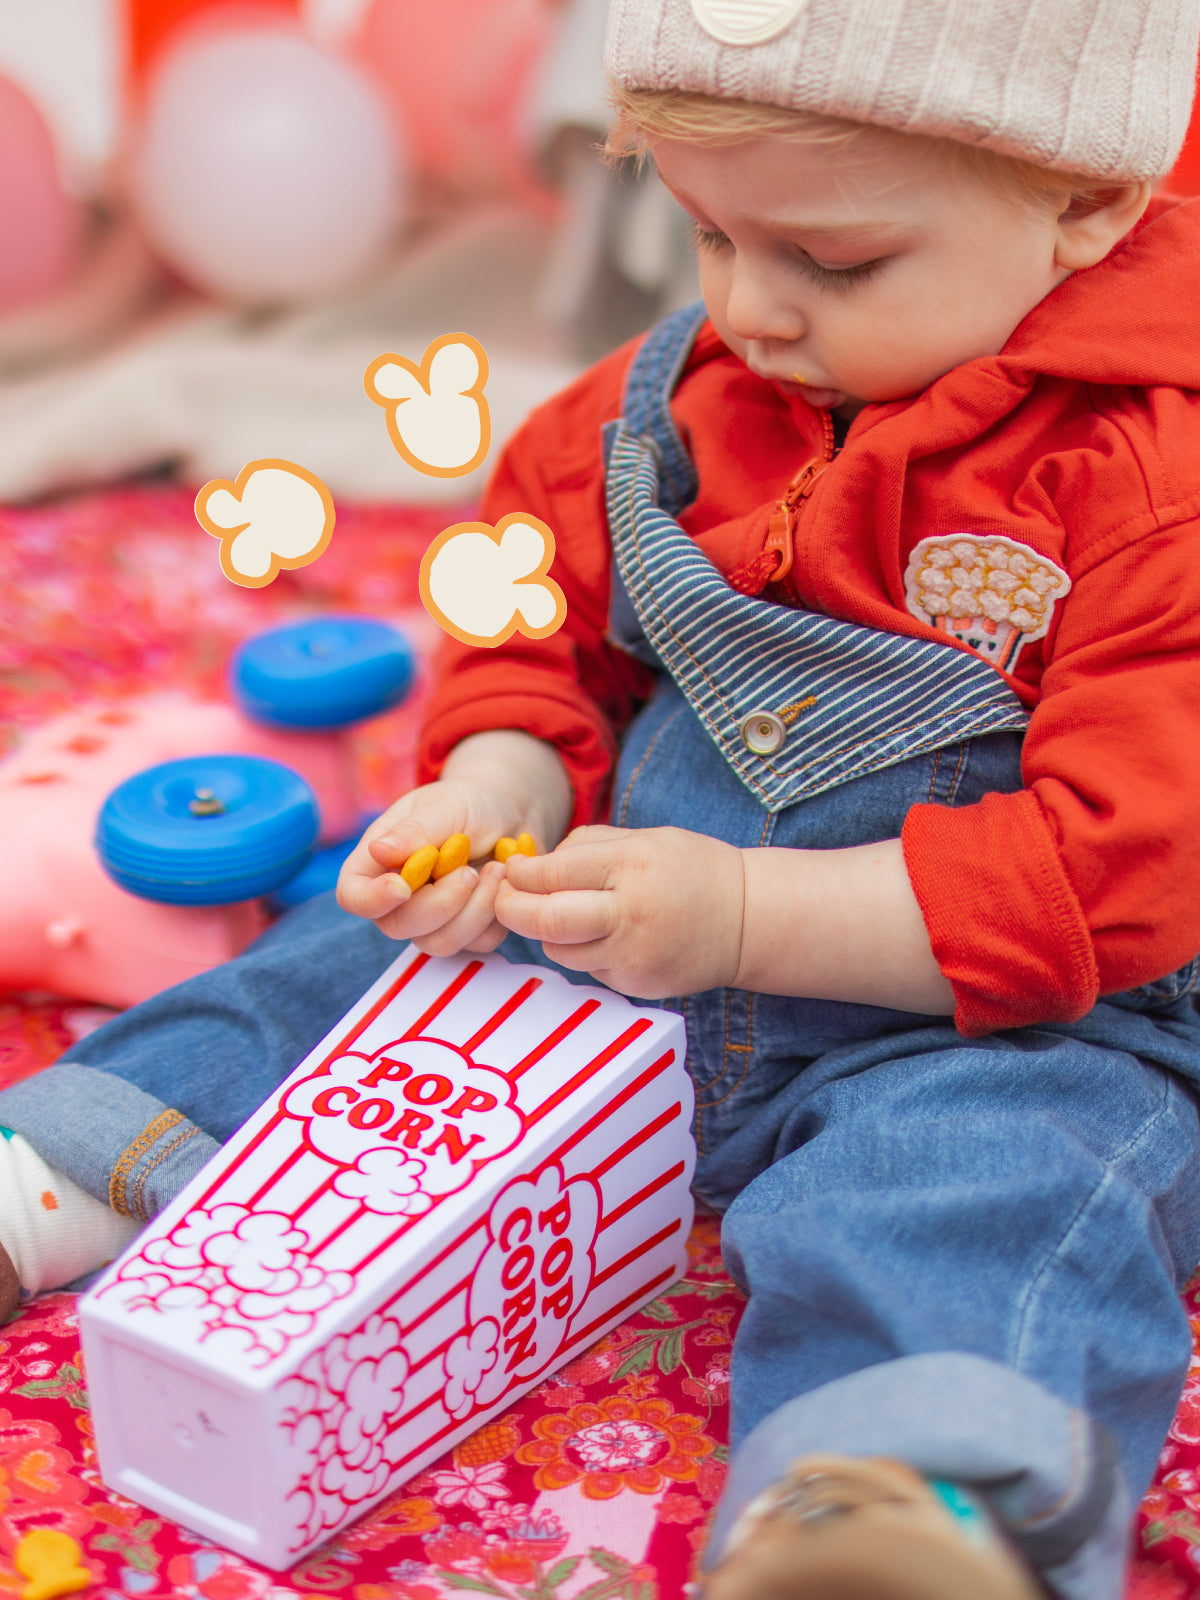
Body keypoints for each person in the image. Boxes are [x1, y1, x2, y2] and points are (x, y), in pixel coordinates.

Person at [4, 0, 1200, 1593]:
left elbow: (1115, 875)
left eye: (834, 262)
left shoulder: (1153, 477)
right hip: (622, 926)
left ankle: (894, 1501)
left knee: (1010, 1178)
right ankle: (47, 1178)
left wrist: (747, 915)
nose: (750, 308)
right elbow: (535, 617)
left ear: (1087, 203)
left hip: (975, 1017)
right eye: (709, 234)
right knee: (341, 973)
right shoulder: (670, 405)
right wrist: (496, 783)